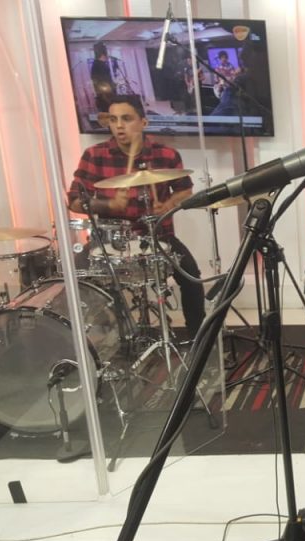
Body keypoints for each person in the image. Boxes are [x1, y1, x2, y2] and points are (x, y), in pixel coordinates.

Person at [68, 94, 205, 335]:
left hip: (157, 236)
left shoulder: (166, 155)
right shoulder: (95, 155)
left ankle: (199, 339)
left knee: (192, 277)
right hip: (109, 242)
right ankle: (110, 340)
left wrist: (168, 204)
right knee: (80, 277)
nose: (119, 126)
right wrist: (108, 206)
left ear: (143, 122)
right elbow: (75, 202)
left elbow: (185, 190)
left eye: (127, 119)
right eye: (113, 120)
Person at [90, 42, 116, 115]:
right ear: (103, 54)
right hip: (105, 96)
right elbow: (102, 81)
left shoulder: (98, 64)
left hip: (104, 94)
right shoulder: (98, 65)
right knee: (108, 112)